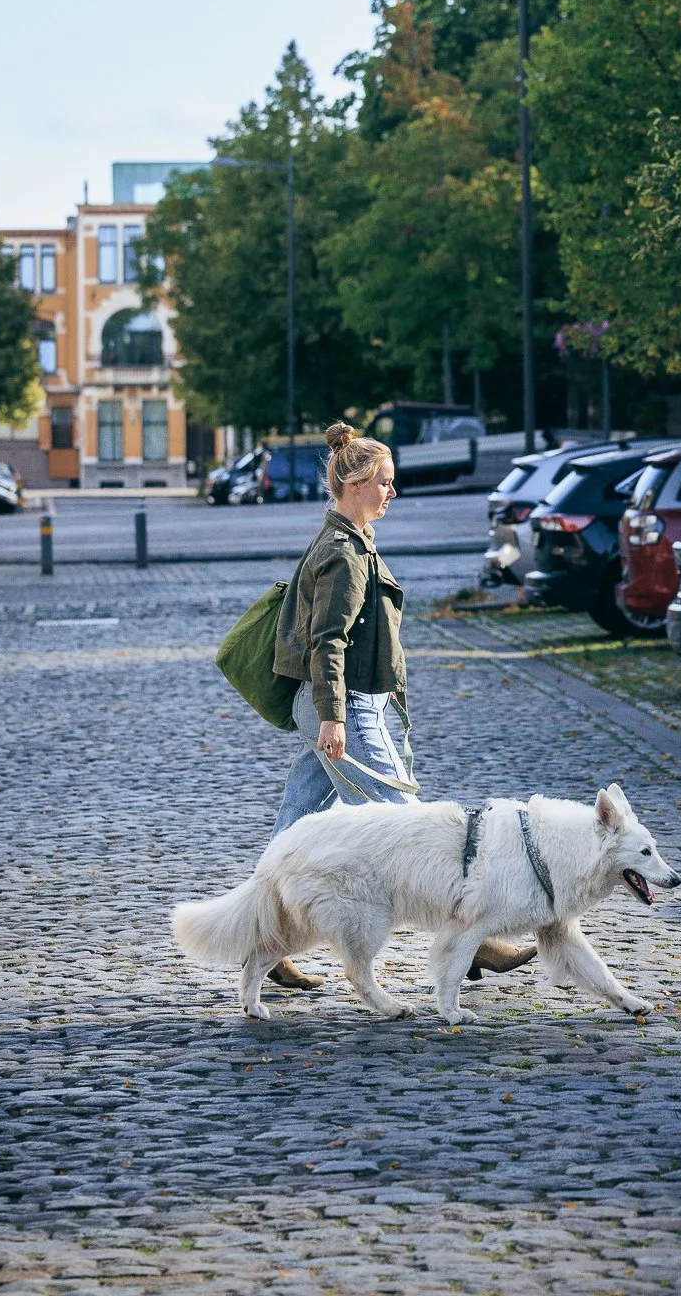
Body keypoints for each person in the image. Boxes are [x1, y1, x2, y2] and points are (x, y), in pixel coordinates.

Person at [264, 420, 535, 991]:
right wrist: (336, 716)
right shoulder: (343, 551)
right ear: (355, 482)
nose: (393, 491)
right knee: (406, 826)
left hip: (342, 703)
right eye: (385, 481)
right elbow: (327, 641)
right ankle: (471, 937)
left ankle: (263, 938)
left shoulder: (351, 539)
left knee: (299, 820)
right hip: (347, 707)